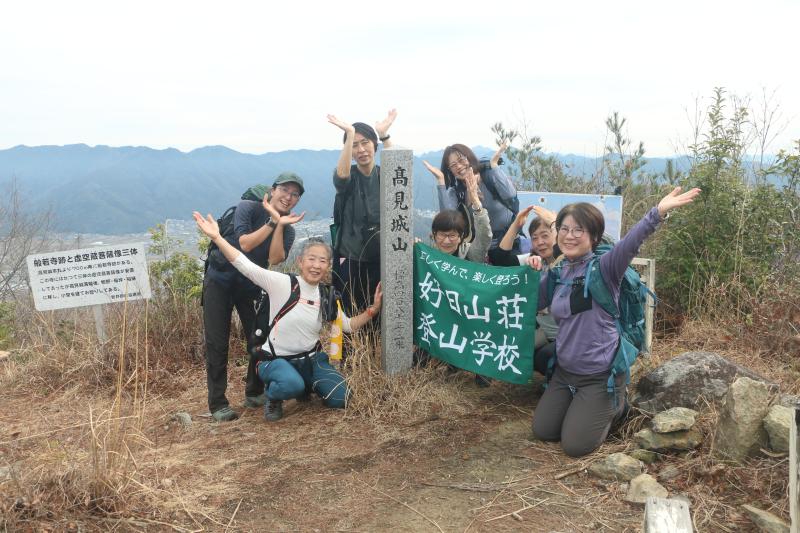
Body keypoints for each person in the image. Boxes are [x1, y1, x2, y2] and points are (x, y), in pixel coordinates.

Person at [526, 187, 701, 456]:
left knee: (575, 446)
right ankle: (580, 405)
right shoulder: (557, 273)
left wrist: (658, 213)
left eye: (578, 230)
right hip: (564, 372)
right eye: (564, 229)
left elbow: (630, 243)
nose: (570, 235)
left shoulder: (605, 268)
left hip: (599, 375)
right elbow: (529, 303)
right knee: (544, 431)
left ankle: (618, 405)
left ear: (594, 236)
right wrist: (529, 272)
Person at [194, 212, 383, 422]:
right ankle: (274, 396)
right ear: (300, 262)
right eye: (311, 259)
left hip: (311, 360)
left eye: (322, 261)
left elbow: (346, 325)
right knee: (291, 385)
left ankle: (306, 385)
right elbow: (245, 266)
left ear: (328, 266)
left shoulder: (326, 294)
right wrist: (217, 238)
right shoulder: (282, 284)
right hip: (275, 360)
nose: (316, 265)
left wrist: (372, 310)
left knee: (341, 397)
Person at [201, 173, 305, 422]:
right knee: (217, 342)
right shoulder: (247, 207)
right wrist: (271, 221)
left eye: (295, 195)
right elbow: (244, 245)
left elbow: (275, 259)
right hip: (219, 281)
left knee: (260, 339)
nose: (289, 197)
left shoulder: (287, 230)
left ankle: (254, 391)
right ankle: (217, 403)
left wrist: (280, 225)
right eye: (285, 191)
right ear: (273, 190)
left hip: (249, 286)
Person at [327, 109, 397, 314]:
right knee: (349, 311)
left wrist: (384, 135)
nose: (361, 149)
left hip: (381, 256)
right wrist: (349, 134)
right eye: (355, 145)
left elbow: (399, 173)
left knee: (380, 311)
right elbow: (341, 176)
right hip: (350, 257)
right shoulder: (348, 177)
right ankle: (351, 347)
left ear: (375, 145)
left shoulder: (384, 176)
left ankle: (374, 347)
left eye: (365, 142)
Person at [489, 204, 560, 375]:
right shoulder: (534, 260)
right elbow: (499, 258)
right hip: (545, 330)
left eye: (545, 235)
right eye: (534, 238)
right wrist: (515, 226)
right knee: (513, 347)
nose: (540, 242)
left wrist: (556, 224)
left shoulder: (571, 261)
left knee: (543, 357)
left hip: (568, 335)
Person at [424, 142, 519, 254]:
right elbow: (448, 219)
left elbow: (510, 195)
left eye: (461, 160)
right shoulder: (457, 191)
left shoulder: (489, 176)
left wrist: (494, 166)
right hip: (482, 250)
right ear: (450, 171)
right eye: (453, 165)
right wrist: (441, 181)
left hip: (510, 243)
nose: (459, 166)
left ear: (469, 158)